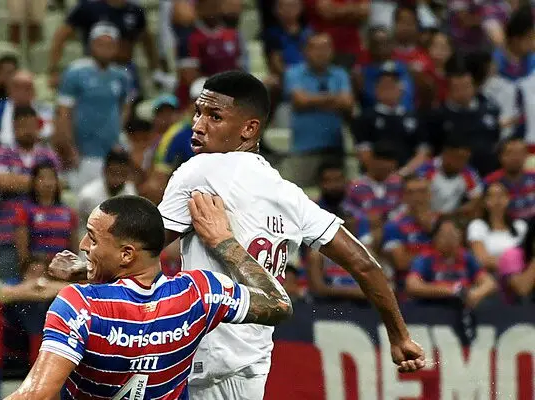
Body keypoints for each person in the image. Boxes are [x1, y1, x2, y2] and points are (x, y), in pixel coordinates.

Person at [51, 71, 426, 398]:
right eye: (198, 112)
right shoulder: (289, 194)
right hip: (253, 364)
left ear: (249, 129)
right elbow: (364, 264)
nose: (198, 125)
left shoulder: (199, 172)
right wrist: (399, 336)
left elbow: (141, 254)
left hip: (204, 362)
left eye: (215, 116)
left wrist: (85, 269)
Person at [6, 194, 294, 399]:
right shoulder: (200, 293)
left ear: (127, 254)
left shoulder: (80, 305)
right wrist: (225, 241)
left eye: (92, 238)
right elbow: (278, 303)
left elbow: (37, 394)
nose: (82, 245)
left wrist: (87, 274)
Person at [54, 23, 134, 190]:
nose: (105, 49)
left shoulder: (122, 76)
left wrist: (117, 132)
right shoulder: (75, 72)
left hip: (110, 153)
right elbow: (63, 112)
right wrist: (69, 148)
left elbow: (125, 107)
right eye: (100, 44)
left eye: (110, 45)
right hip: (83, 153)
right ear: (91, 45)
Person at [0, 105, 61, 281]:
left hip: (44, 234)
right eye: (22, 126)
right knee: (9, 290)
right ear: (14, 127)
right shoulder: (3, 153)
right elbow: (2, 182)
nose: (27, 131)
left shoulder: (48, 155)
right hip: (8, 234)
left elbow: (58, 183)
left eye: (31, 126)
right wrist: (39, 181)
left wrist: (18, 180)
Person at [284, 32, 354, 187]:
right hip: (304, 148)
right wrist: (334, 99)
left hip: (334, 147)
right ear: (306, 51)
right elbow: (300, 101)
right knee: (298, 196)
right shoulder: (294, 73)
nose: (321, 53)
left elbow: (348, 103)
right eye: (316, 48)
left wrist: (313, 100)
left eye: (326, 48)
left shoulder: (340, 74)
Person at [406, 218, 498, 309]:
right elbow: (412, 285)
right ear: (435, 238)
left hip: (463, 308)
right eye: (445, 235)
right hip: (434, 308)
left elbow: (489, 282)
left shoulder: (466, 257)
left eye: (453, 234)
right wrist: (448, 291)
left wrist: (476, 293)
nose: (449, 240)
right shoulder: (425, 259)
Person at [13, 163, 78, 264]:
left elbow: (74, 250)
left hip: (62, 269)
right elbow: (22, 253)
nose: (47, 183)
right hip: (36, 268)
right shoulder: (25, 211)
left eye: (51, 178)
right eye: (41, 178)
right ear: (33, 182)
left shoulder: (69, 213)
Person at [467, 182, 527, 272]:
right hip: (493, 276)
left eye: (501, 195)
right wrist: (512, 265)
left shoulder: (520, 226)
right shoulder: (477, 225)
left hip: (520, 276)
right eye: (492, 196)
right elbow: (482, 259)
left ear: (508, 199)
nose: (497, 199)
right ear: (485, 201)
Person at [416, 138, 483, 217]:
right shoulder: (427, 169)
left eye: (466, 159)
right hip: (425, 215)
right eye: (459, 158)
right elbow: (417, 198)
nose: (462, 163)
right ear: (446, 154)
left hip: (452, 218)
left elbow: (477, 199)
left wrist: (453, 215)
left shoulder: (468, 172)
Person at [77, 148, 137, 227]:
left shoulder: (131, 193)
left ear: (128, 173)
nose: (117, 179)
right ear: (104, 170)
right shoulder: (88, 195)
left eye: (122, 174)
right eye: (113, 173)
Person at [484, 138, 535, 220]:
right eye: (510, 153)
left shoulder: (533, 177)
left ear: (526, 155)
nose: (515, 157)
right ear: (501, 156)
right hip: (507, 226)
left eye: (520, 153)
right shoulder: (490, 181)